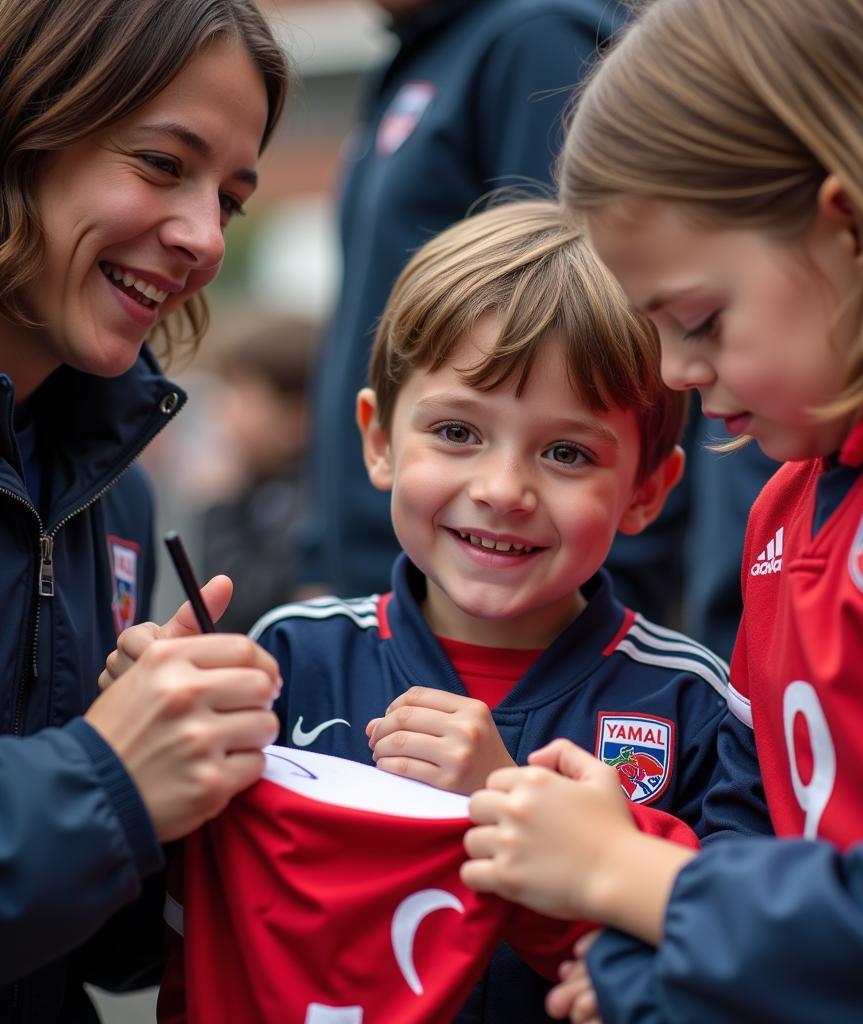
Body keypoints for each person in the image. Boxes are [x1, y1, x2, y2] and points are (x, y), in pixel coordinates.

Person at [461, 0, 863, 1021]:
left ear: (850, 227)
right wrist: (647, 944)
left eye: (697, 319)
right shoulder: (779, 513)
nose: (676, 373)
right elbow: (753, 834)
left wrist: (625, 877)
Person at [114, 200, 763, 1022]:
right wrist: (136, 745)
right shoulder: (285, 665)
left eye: (566, 452)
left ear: (647, 492)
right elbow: (162, 924)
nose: (501, 490)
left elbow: (722, 971)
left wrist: (507, 804)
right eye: (458, 431)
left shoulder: (697, 706)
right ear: (379, 441)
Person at [0, 2, 288, 1020]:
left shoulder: (118, 486)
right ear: (25, 127)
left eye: (231, 200)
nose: (204, 238)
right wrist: (110, 773)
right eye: (164, 164)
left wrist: (195, 799)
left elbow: (105, 953)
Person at [300, 0, 693, 625]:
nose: (503, 489)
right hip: (395, 604)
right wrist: (321, 561)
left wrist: (585, 681)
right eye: (457, 434)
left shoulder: (537, 38)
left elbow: (598, 345)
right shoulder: (423, 54)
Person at [198, 313, 317, 633]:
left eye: (239, 392)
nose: (221, 410)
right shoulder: (264, 490)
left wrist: (221, 502)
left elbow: (239, 607)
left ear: (295, 416)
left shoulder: (302, 504)